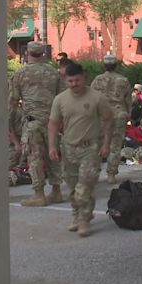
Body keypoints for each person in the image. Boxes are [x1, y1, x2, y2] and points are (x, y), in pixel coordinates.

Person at [48, 62, 112, 237]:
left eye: (77, 80)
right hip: (68, 148)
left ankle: (84, 220)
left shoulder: (97, 98)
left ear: (83, 77)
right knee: (73, 187)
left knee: (83, 188)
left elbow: (107, 120)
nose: (74, 84)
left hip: (90, 149)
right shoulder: (60, 99)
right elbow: (53, 123)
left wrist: (106, 143)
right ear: (65, 81)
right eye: (70, 81)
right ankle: (77, 215)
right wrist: (52, 146)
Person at [9, 41, 63, 207]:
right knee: (52, 154)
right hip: (52, 121)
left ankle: (39, 194)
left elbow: (12, 100)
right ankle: (56, 191)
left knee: (34, 156)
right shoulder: (54, 73)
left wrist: (8, 120)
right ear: (43, 54)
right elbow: (62, 98)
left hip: (32, 122)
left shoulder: (20, 73)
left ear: (27, 54)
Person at [90, 55, 132, 184]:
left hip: (101, 115)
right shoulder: (123, 80)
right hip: (118, 113)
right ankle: (111, 174)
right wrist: (128, 114)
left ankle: (95, 172)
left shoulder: (97, 80)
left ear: (104, 66)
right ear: (116, 65)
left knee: (97, 144)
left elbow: (91, 98)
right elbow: (128, 100)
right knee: (115, 146)